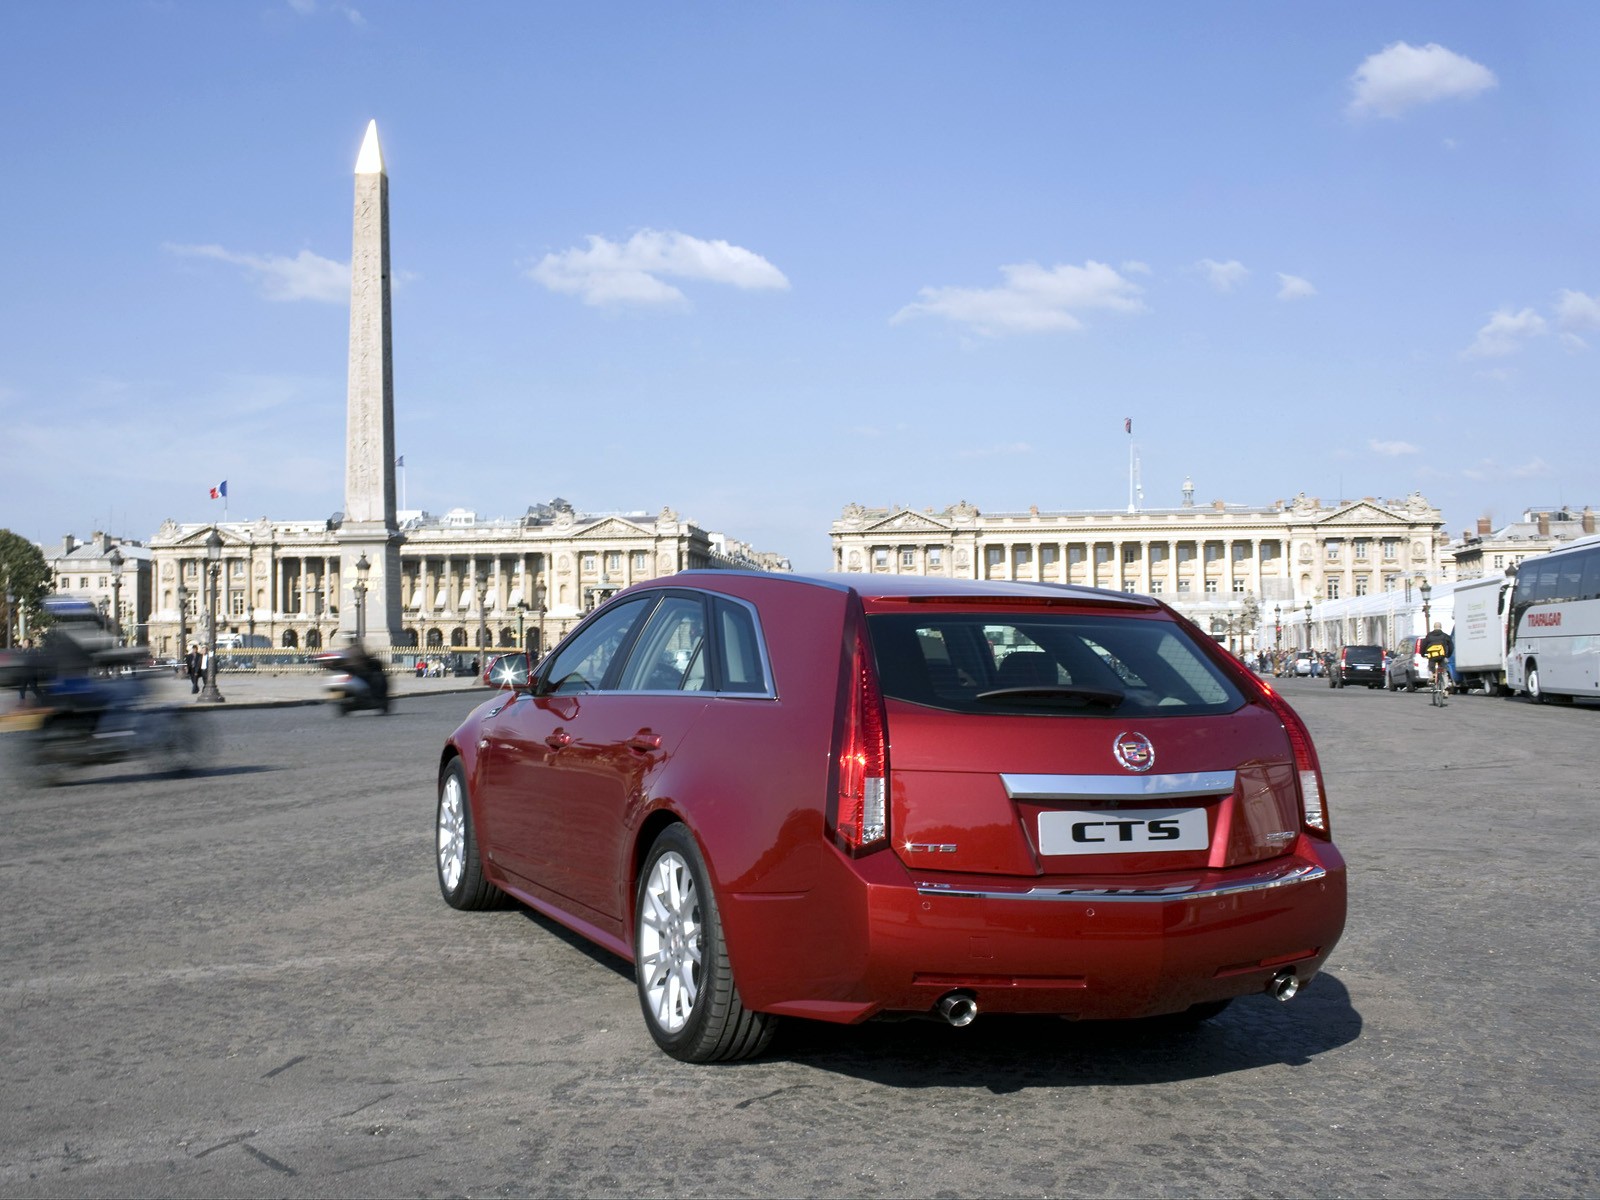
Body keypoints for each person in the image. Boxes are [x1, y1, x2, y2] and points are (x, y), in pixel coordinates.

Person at [1421, 623, 1454, 697]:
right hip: (1442, 657)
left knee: (1430, 667)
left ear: (1434, 627)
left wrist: (1423, 654)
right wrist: (1448, 655)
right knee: (1444, 672)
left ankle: (1432, 675)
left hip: (1432, 657)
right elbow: (1451, 646)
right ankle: (1445, 689)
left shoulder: (1429, 636)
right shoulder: (1445, 636)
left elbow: (1423, 646)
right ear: (1441, 627)